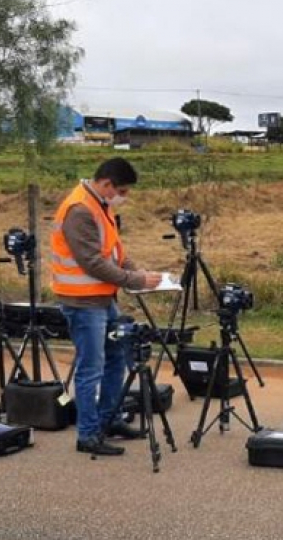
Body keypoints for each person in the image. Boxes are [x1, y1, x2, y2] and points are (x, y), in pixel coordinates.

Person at [50, 158, 163, 455]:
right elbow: (92, 261)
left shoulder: (100, 205)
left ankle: (108, 420)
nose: (124, 197)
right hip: (83, 302)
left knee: (115, 358)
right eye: (122, 191)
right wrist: (134, 280)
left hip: (102, 299)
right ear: (106, 184)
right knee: (91, 369)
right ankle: (87, 435)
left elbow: (112, 251)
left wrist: (138, 273)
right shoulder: (80, 210)